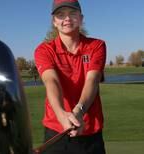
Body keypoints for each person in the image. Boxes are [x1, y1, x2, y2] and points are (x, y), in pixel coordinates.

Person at [34, 0, 106, 153]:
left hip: (90, 132)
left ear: (81, 18)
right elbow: (51, 81)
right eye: (60, 15)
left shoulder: (97, 46)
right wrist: (61, 115)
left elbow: (92, 80)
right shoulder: (44, 50)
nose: (67, 19)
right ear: (54, 22)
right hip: (56, 130)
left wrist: (79, 111)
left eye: (72, 13)